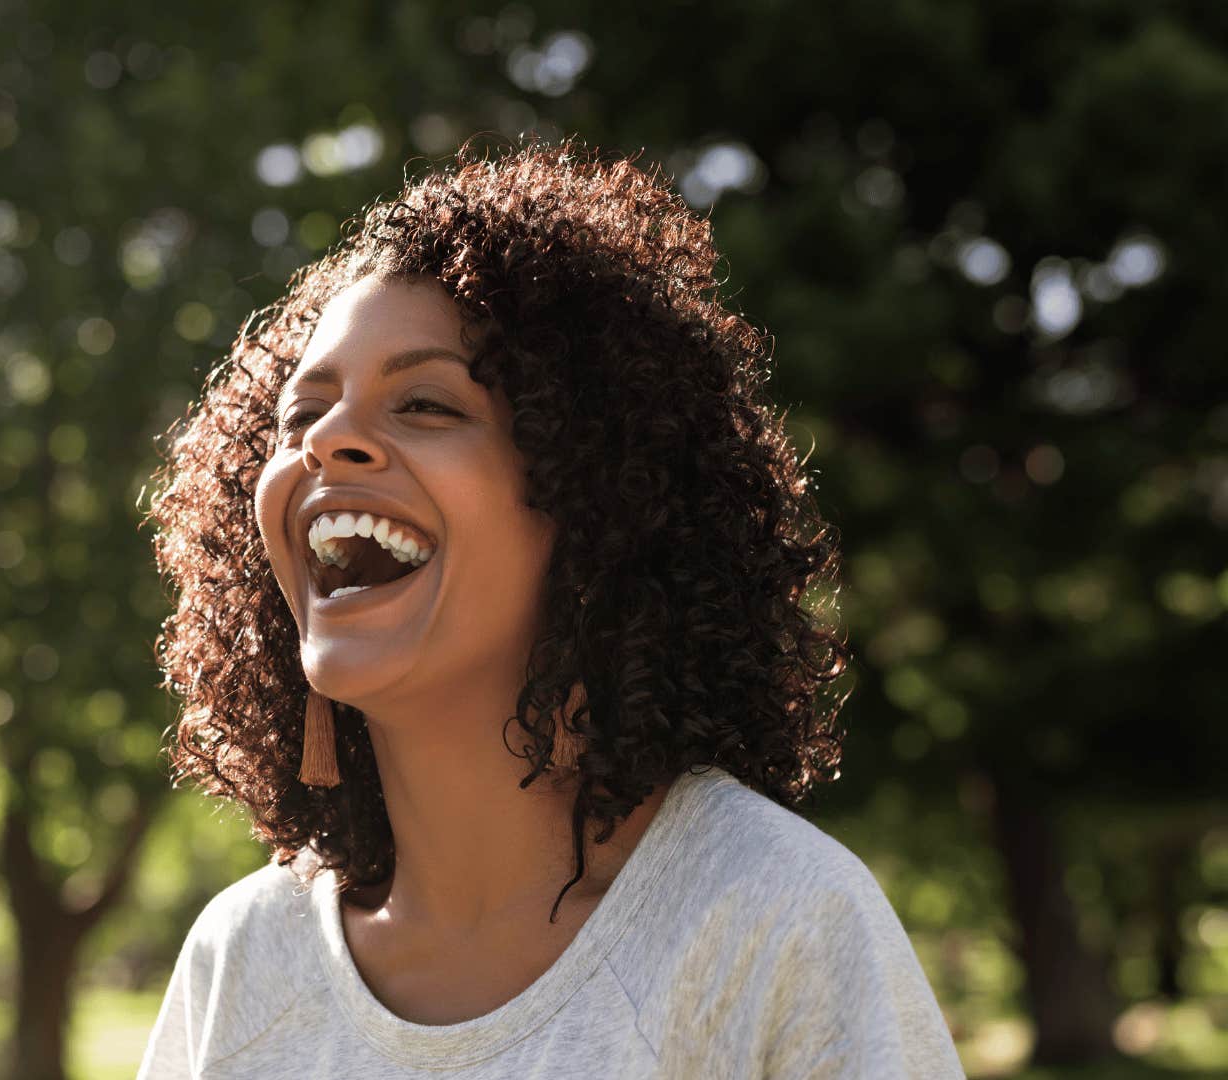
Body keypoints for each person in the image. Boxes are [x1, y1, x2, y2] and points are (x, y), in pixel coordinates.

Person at [138, 138, 965, 1077]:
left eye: (425, 405)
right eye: (299, 416)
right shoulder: (241, 958)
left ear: (596, 502)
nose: (327, 440)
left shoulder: (776, 921)